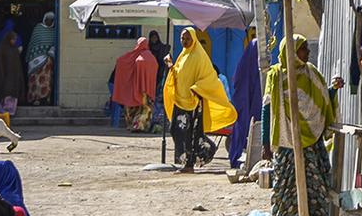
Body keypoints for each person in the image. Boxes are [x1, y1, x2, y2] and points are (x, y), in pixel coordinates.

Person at [265, 34, 337, 216]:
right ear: (291, 52)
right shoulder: (276, 76)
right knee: (286, 193)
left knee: (318, 190)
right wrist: (267, 143)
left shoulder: (311, 73)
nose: (307, 53)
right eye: (303, 49)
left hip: (312, 146)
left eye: (307, 48)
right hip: (287, 144)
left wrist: (334, 89)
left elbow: (322, 99)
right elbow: (267, 108)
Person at [163, 28, 236, 174]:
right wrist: (171, 66)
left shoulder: (199, 56)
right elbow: (178, 75)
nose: (184, 41)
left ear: (194, 39)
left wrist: (197, 88)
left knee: (190, 134)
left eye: (187, 39)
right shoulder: (183, 56)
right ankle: (201, 151)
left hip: (194, 102)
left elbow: (210, 78)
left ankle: (189, 164)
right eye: (182, 39)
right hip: (180, 100)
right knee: (176, 130)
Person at [227, 25, 263, 170]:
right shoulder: (246, 64)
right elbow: (238, 83)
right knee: (243, 127)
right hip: (244, 102)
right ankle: (238, 157)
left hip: (254, 100)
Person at [111, 36, 158, 132]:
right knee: (145, 108)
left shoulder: (133, 56)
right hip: (148, 89)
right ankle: (143, 127)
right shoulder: (151, 57)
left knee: (132, 107)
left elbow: (120, 61)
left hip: (135, 88)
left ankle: (132, 126)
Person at [24, 12, 58, 106]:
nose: (49, 21)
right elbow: (33, 44)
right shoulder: (38, 29)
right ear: (44, 19)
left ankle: (45, 99)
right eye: (47, 19)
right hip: (35, 61)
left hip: (47, 62)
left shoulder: (54, 31)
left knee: (46, 81)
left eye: (51, 20)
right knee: (34, 80)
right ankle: (34, 99)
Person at [0, 19, 26, 110]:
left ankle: (10, 109)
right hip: (6, 73)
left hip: (12, 73)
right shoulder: (5, 47)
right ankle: (5, 109)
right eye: (13, 39)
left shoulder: (1, 37)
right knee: (6, 90)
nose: (14, 41)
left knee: (12, 90)